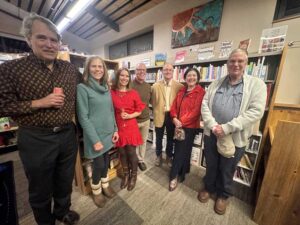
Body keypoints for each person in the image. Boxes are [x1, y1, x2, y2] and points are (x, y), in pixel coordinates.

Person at [0, 13, 80, 225]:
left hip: (67, 134)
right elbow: (2, 106)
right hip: (36, 138)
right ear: (29, 39)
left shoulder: (70, 70)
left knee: (64, 180)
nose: (49, 44)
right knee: (40, 188)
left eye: (54, 40)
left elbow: (85, 92)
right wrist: (40, 102)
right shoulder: (10, 70)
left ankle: (62, 211)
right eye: (42, 38)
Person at [199, 49, 267, 215]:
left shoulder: (257, 84)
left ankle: (223, 195)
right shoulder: (216, 82)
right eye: (232, 61)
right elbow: (205, 104)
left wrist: (226, 128)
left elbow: (255, 112)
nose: (235, 64)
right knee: (212, 164)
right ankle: (209, 187)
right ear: (227, 63)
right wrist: (214, 125)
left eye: (240, 61)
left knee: (227, 168)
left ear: (246, 64)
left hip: (235, 138)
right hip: (212, 134)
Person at [77, 56, 119, 208]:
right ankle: (96, 191)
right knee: (98, 165)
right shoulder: (82, 88)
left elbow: (111, 111)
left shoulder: (106, 88)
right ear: (88, 68)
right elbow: (83, 117)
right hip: (95, 136)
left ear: (104, 69)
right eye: (93, 66)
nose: (97, 69)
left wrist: (115, 129)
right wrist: (95, 140)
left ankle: (106, 185)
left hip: (109, 134)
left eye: (100, 67)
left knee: (106, 162)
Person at [169, 68, 205, 191]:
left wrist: (180, 122)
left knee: (180, 151)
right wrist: (174, 118)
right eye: (189, 75)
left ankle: (173, 176)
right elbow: (173, 106)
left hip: (189, 127)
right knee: (184, 150)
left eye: (194, 75)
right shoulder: (182, 90)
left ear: (198, 77)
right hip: (179, 125)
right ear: (185, 78)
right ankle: (183, 172)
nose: (191, 78)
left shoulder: (200, 92)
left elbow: (196, 112)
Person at [111, 68, 145, 191]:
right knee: (122, 153)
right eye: (122, 75)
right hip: (118, 127)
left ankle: (133, 176)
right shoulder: (112, 92)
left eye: (127, 76)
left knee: (131, 153)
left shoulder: (133, 93)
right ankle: (126, 175)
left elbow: (139, 109)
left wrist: (130, 115)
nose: (124, 78)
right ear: (117, 77)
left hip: (131, 126)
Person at [151, 63, 183, 167]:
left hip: (172, 116)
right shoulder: (155, 86)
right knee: (158, 138)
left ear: (173, 71)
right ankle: (158, 156)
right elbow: (152, 101)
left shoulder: (179, 86)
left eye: (170, 70)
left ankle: (169, 157)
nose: (168, 71)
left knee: (170, 139)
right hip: (159, 114)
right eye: (165, 70)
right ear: (162, 71)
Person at [132, 63, 151, 171]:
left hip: (146, 120)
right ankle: (134, 159)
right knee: (134, 142)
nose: (142, 72)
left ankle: (141, 160)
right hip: (133, 120)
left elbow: (149, 102)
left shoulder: (148, 86)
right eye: (139, 69)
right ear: (135, 71)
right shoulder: (130, 85)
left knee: (143, 142)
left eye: (144, 70)